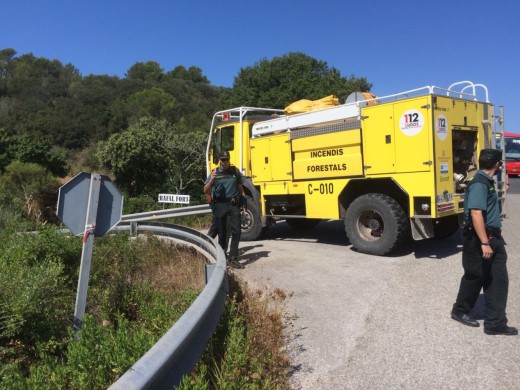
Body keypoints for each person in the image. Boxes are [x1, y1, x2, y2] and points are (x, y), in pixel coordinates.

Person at [451, 148, 517, 335]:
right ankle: (460, 310)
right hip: (480, 238)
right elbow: (476, 213)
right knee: (475, 275)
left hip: (493, 237)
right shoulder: (480, 183)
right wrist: (484, 243)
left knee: (498, 279)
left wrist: (505, 179)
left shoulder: (487, 180)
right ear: (497, 164)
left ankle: (494, 323)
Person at [204, 150, 245, 269]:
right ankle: (222, 257)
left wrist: (243, 199)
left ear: (229, 159)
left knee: (236, 231)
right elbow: (205, 190)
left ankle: (233, 258)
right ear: (219, 161)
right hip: (220, 205)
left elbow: (240, 187)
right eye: (222, 160)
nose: (224, 162)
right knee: (222, 233)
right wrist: (211, 180)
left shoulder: (235, 172)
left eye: (226, 160)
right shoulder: (215, 173)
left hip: (233, 204)